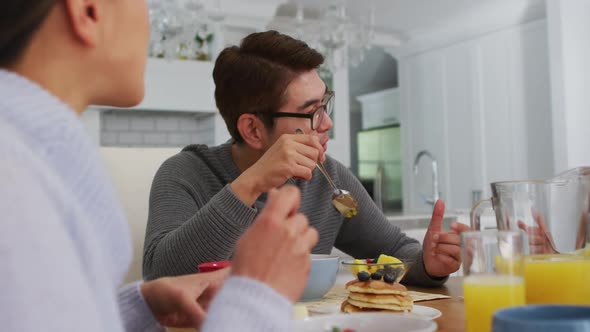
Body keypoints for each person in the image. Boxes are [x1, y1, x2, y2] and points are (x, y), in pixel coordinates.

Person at [0, 1, 319, 331]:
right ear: (88, 11)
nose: (149, 23)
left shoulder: (33, 161)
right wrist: (257, 295)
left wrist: (136, 306)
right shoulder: (13, 186)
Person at [143, 30, 470, 284]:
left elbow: (397, 251)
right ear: (254, 130)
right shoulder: (184, 174)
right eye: (311, 113)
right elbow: (161, 278)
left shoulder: (330, 179)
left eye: (324, 104)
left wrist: (429, 264)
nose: (328, 123)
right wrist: (252, 183)